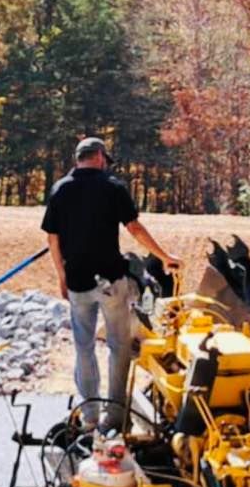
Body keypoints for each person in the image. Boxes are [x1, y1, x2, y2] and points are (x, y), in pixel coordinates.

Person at [43, 137, 179, 430]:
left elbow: (53, 239)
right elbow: (134, 228)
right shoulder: (113, 187)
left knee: (84, 347)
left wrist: (62, 277)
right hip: (111, 282)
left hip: (77, 282)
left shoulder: (60, 189)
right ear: (99, 157)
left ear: (78, 158)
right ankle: (114, 416)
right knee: (119, 346)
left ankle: (90, 416)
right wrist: (164, 257)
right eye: (105, 159)